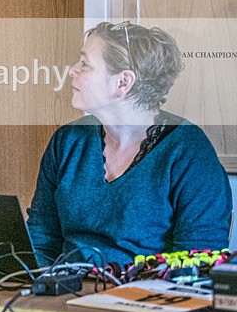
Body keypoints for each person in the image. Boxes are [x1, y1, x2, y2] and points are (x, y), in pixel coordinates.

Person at [27, 21, 232, 267]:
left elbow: (198, 262)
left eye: (85, 64)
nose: (72, 70)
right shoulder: (67, 141)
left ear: (123, 82)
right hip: (65, 295)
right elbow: (40, 239)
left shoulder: (189, 153)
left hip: (146, 300)